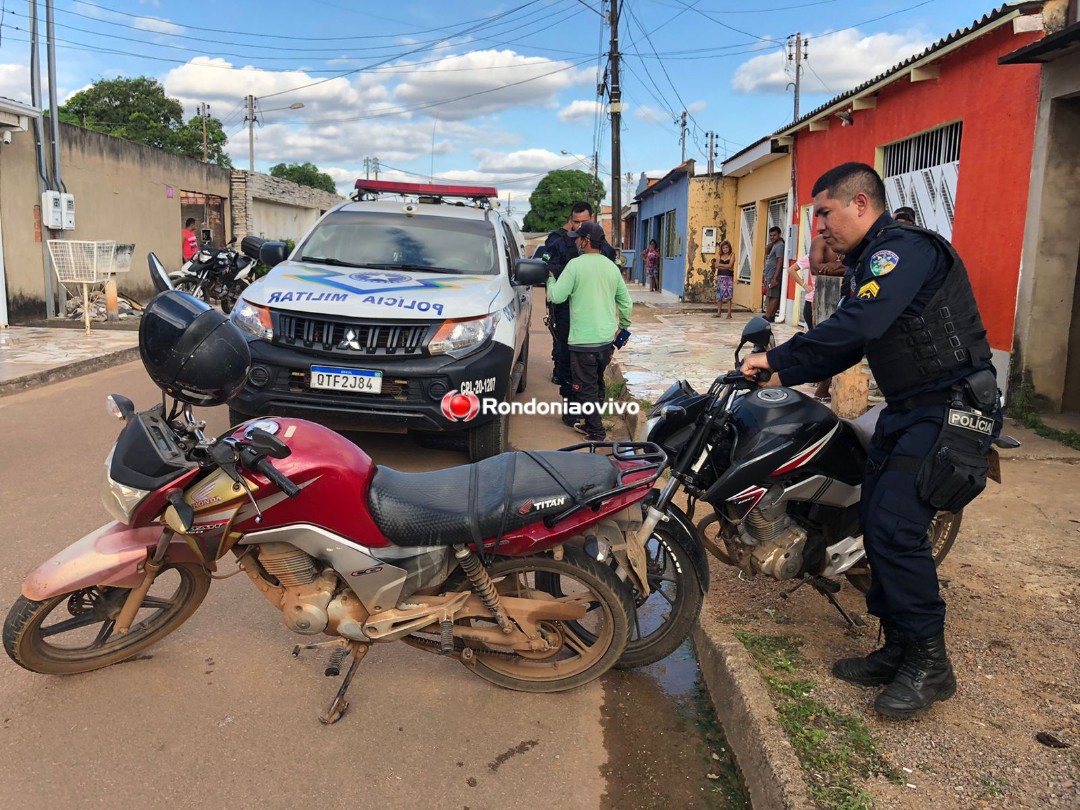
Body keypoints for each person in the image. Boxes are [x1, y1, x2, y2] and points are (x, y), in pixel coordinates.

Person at [740, 162, 1001, 719]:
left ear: (861, 203)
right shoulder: (870, 261)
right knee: (875, 524)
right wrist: (777, 370)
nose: (820, 229)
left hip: (949, 408)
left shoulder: (900, 249)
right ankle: (898, 648)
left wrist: (779, 359)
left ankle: (931, 664)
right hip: (908, 408)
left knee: (898, 529)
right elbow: (844, 346)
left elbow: (860, 326)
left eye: (826, 214)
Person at [545, 221, 632, 442]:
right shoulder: (611, 267)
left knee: (585, 388)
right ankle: (591, 423)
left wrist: (550, 279)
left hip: (582, 341)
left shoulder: (575, 266)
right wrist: (623, 326)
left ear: (585, 241)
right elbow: (625, 303)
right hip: (605, 341)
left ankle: (596, 431)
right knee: (597, 382)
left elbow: (557, 296)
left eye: (578, 238)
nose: (575, 241)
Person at [763, 226, 785, 321]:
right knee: (769, 295)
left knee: (774, 296)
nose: (772, 237)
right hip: (769, 275)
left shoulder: (780, 245)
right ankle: (768, 314)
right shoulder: (773, 245)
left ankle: (769, 316)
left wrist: (775, 277)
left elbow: (780, 261)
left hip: (774, 275)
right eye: (771, 235)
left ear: (779, 235)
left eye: (774, 235)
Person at [712, 240, 735, 318]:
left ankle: (729, 313)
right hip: (720, 277)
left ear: (729, 248)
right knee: (719, 296)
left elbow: (730, 265)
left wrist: (721, 266)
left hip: (728, 278)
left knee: (728, 296)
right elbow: (716, 265)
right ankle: (719, 312)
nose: (725, 249)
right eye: (723, 248)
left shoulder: (732, 255)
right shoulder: (719, 255)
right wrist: (727, 266)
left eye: (726, 247)